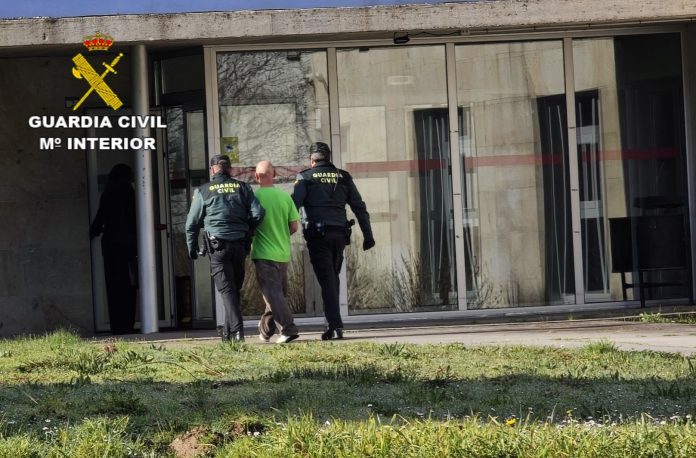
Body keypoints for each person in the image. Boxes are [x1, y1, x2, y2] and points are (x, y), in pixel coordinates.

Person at [292, 142, 375, 340]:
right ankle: (331, 325)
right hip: (339, 235)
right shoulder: (343, 177)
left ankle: (336, 326)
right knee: (332, 278)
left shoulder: (305, 177)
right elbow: (359, 207)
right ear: (329, 158)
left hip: (318, 236)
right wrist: (368, 236)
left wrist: (281, 231)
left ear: (312, 160)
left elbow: (293, 205)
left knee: (328, 280)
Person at [185, 154, 264, 342]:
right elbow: (258, 213)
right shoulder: (243, 187)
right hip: (239, 245)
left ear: (212, 170)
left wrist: (192, 248)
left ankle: (238, 334)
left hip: (217, 247)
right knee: (233, 290)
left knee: (227, 291)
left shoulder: (203, 190)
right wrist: (248, 229)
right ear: (229, 169)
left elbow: (191, 224)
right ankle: (227, 334)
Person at [252, 160, 301, 344]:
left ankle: (288, 329)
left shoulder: (254, 198)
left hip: (263, 254)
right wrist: (280, 234)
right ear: (274, 174)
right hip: (282, 253)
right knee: (275, 294)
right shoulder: (285, 197)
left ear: (256, 177)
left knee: (272, 294)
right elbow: (294, 227)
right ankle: (266, 330)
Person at [89, 163, 137, 335]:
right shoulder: (130, 192)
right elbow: (134, 217)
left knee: (114, 287)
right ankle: (128, 324)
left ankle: (118, 325)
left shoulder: (109, 192)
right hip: (128, 246)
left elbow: (101, 216)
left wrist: (94, 231)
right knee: (130, 287)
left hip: (111, 246)